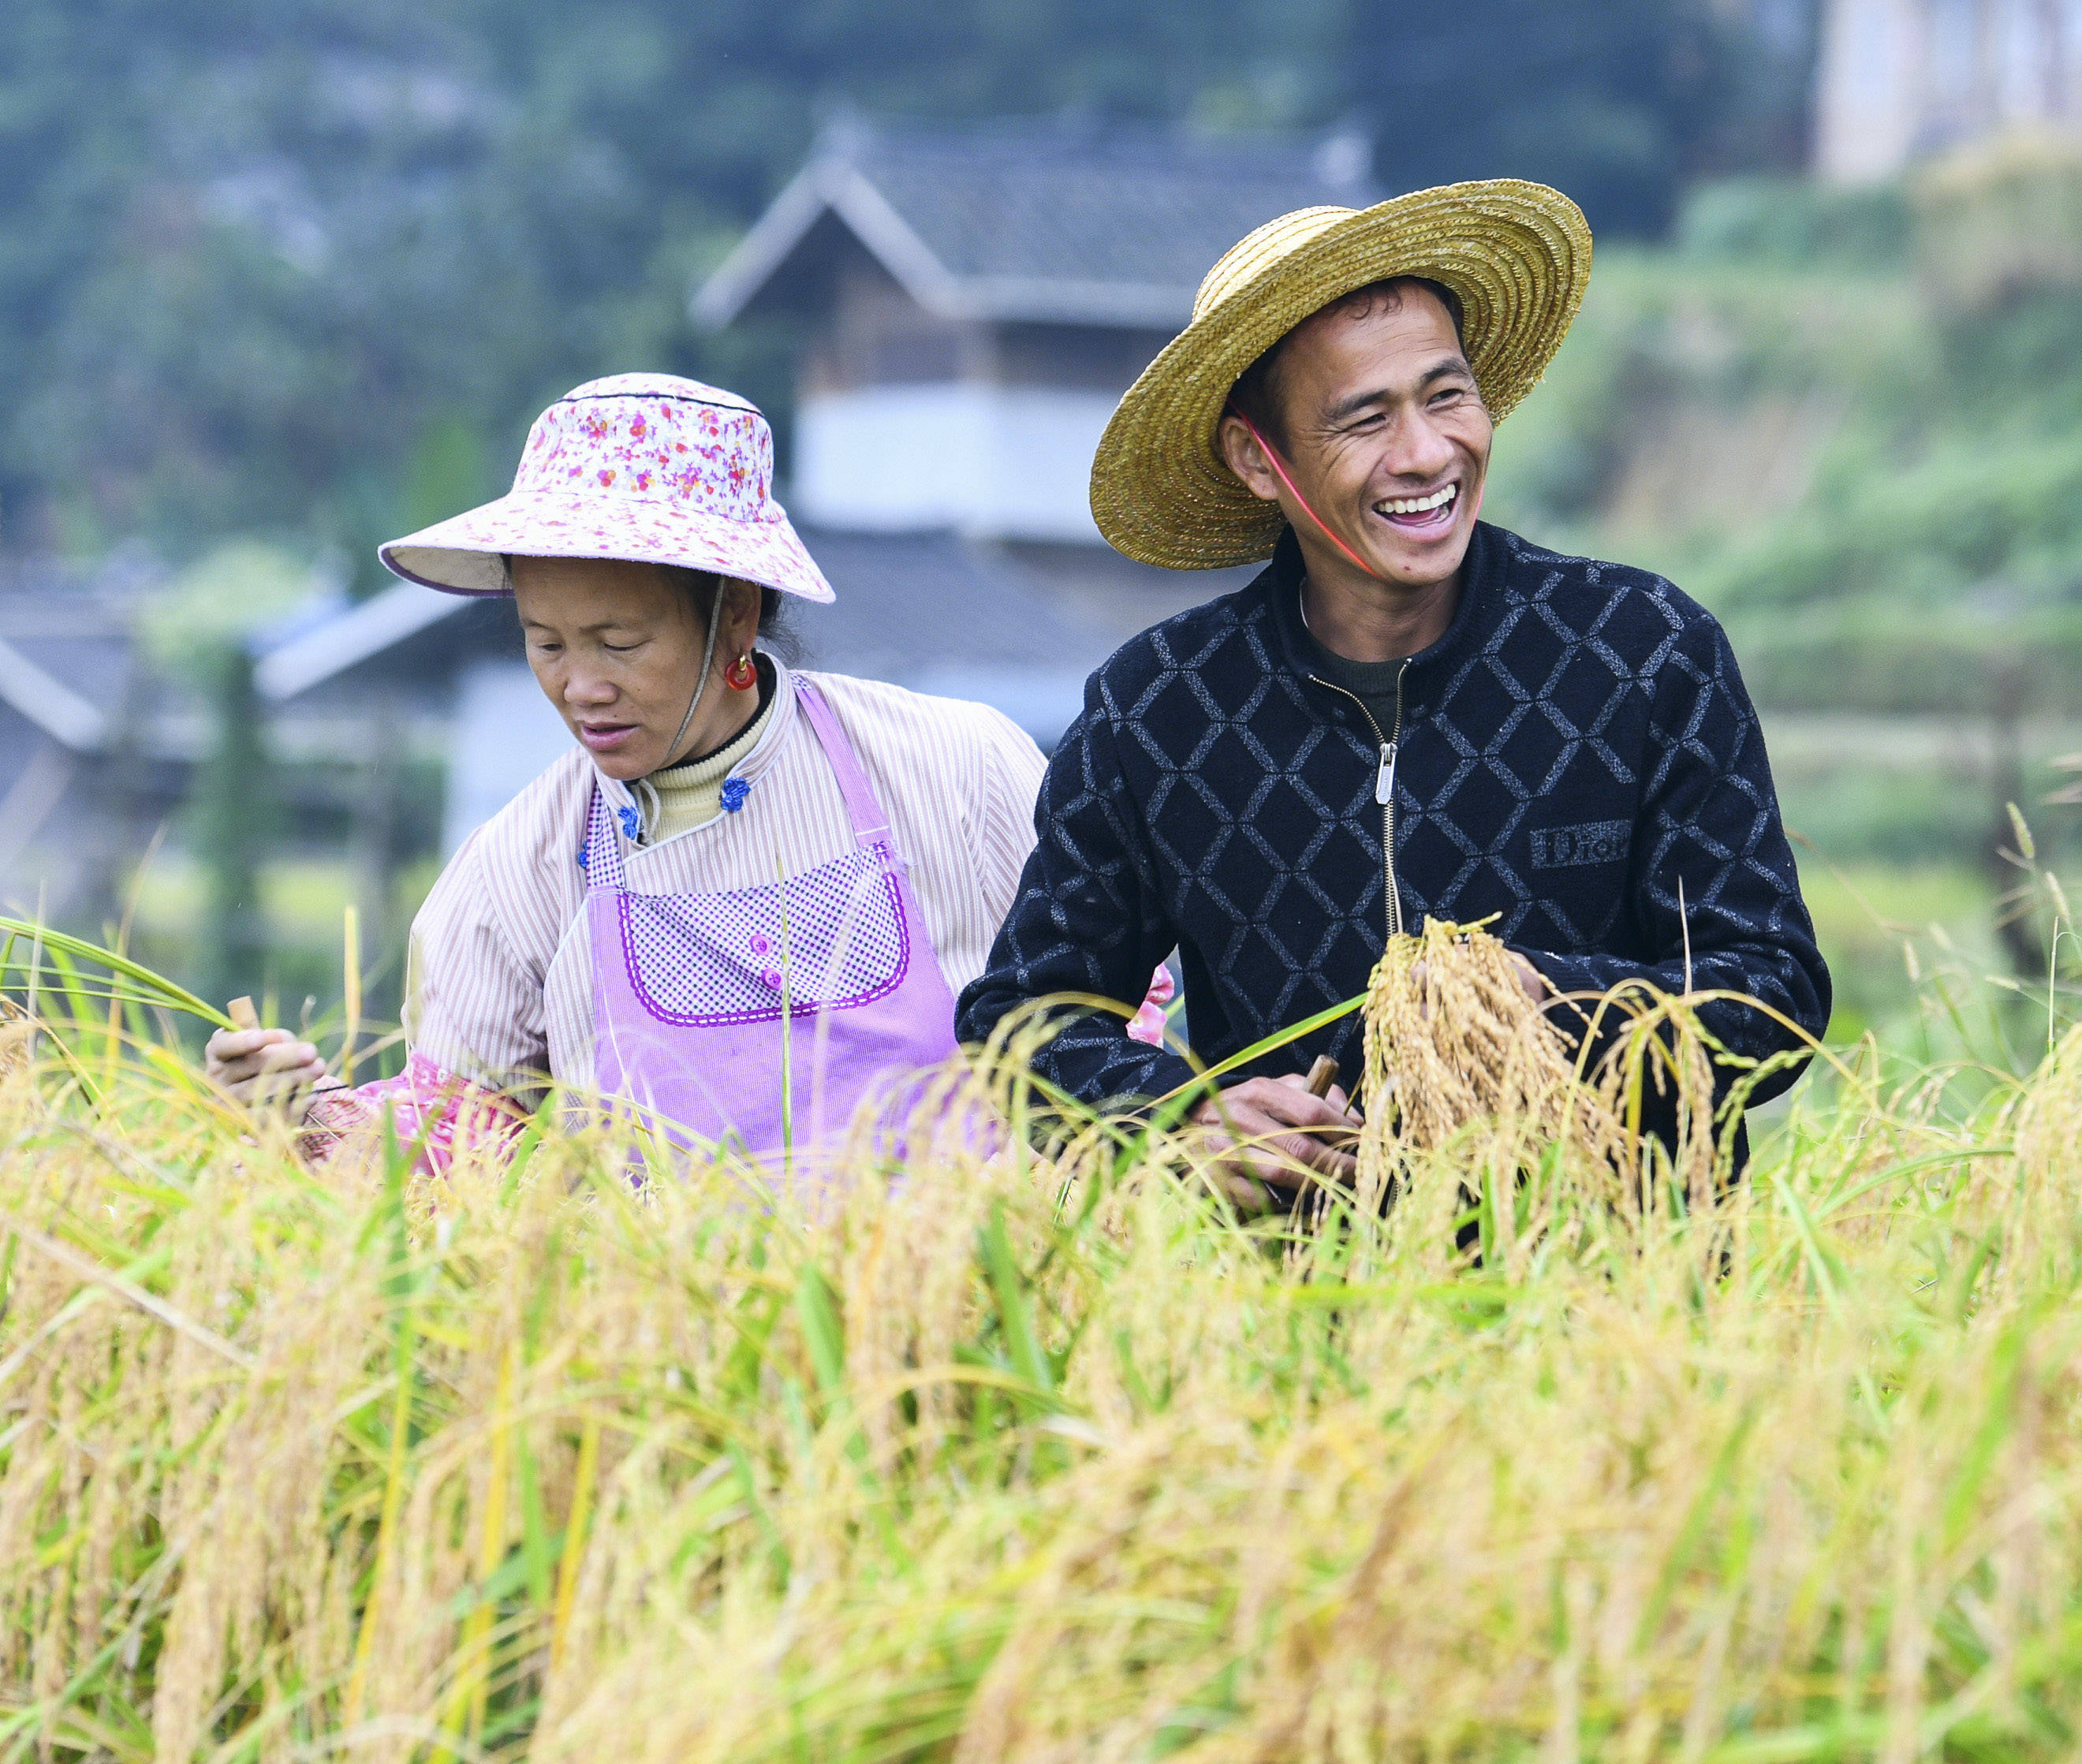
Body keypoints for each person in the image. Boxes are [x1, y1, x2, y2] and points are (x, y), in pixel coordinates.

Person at [954, 181, 1832, 1200]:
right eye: (1364, 418)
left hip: (1615, 1304)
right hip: (1293, 1311)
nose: (1426, 454)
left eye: (1446, 395)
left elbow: (1773, 993)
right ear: (1258, 457)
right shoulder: (1158, 711)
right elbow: (1024, 1019)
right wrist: (1181, 1116)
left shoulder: (1640, 652)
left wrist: (1540, 1000)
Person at [205, 375, 1049, 1168]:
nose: (581, 687)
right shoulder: (520, 867)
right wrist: (306, 1115)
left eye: (620, 643)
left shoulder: (953, 770)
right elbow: (459, 1142)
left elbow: (1093, 1021)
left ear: (736, 614)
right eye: (547, 643)